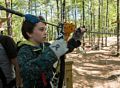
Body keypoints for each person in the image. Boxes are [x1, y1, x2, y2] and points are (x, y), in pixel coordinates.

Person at [17, 14, 86, 88]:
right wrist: (53, 52)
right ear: (29, 33)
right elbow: (26, 72)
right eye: (41, 29)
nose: (45, 32)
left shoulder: (45, 45)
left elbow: (63, 48)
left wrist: (75, 38)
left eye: (45, 29)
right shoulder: (24, 50)